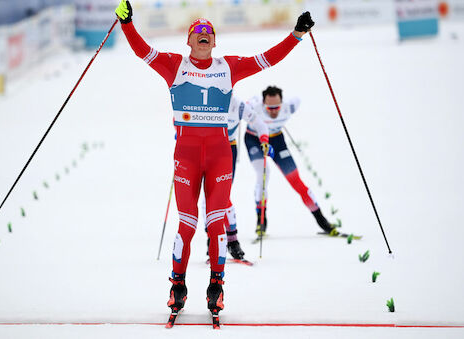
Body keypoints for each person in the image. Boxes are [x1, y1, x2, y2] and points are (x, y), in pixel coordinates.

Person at [114, 0, 314, 321]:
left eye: (209, 32)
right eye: (198, 31)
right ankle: (177, 285)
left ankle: (216, 285)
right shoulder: (174, 66)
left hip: (220, 155)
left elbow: (266, 60)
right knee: (188, 224)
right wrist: (127, 23)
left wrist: (296, 35)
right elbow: (142, 51)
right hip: (187, 156)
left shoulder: (228, 67)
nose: (204, 34)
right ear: (189, 40)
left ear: (214, 41)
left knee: (216, 221)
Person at [245, 86, 336, 237]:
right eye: (270, 107)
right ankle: (261, 221)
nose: (274, 111)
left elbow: (300, 97)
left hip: (276, 140)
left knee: (295, 180)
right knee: (263, 173)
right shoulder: (254, 107)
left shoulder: (290, 106)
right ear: (263, 104)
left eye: (277, 107)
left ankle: (322, 220)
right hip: (254, 140)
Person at [205, 97, 269, 261]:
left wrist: (264, 140)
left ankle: (232, 240)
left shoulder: (238, 105)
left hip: (228, 150)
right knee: (209, 196)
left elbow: (260, 124)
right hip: (207, 149)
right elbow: (182, 116)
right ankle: (212, 239)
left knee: (222, 196)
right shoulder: (207, 97)